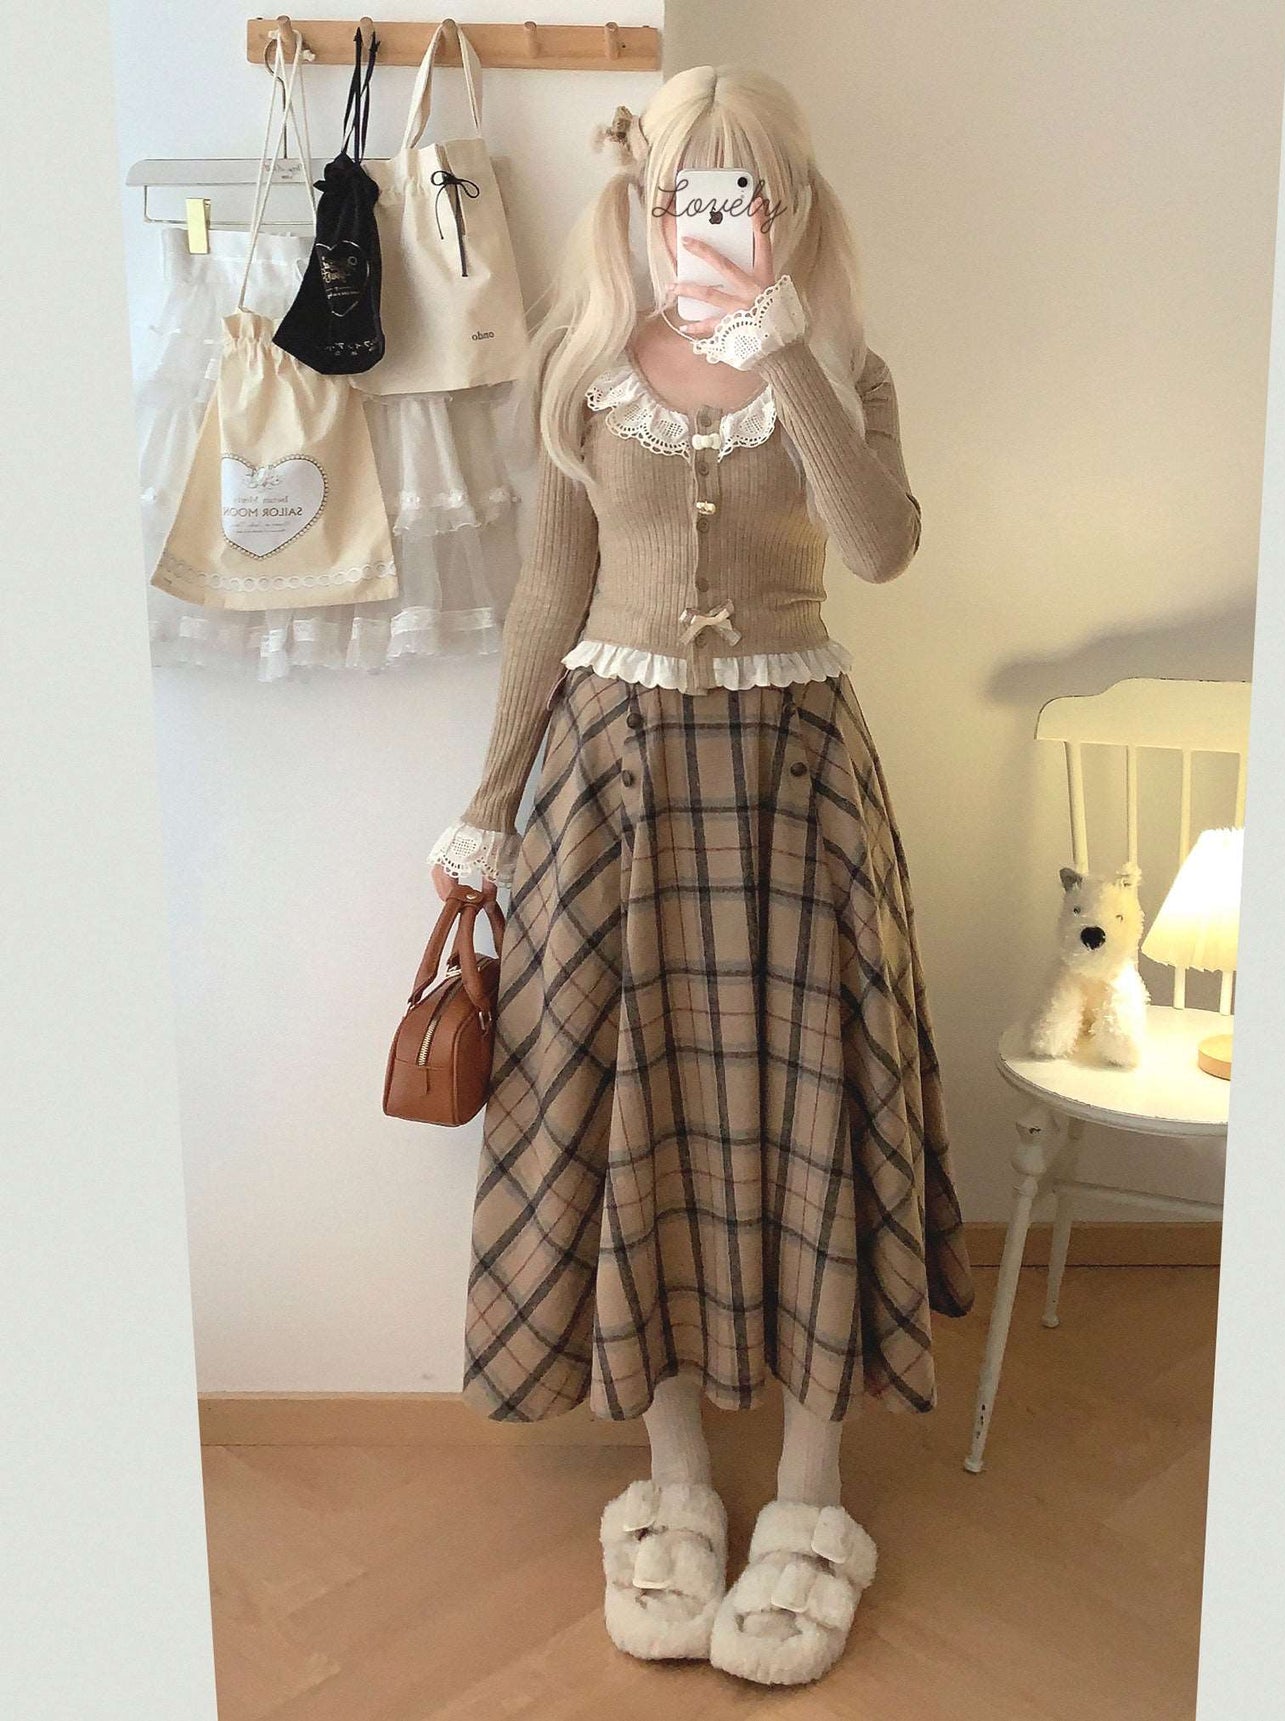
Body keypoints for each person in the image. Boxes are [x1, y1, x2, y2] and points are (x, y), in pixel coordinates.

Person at [428, 64, 974, 1688]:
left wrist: (784, 351)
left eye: (747, 193)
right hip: (607, 785)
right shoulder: (583, 366)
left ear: (791, 207)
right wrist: (484, 809)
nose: (714, 218)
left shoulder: (843, 366)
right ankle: (669, 1477)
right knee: (629, 1112)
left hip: (797, 782)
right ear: (644, 199)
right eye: (687, 193)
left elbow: (879, 547)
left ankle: (809, 1492)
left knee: (816, 1110)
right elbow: (547, 594)